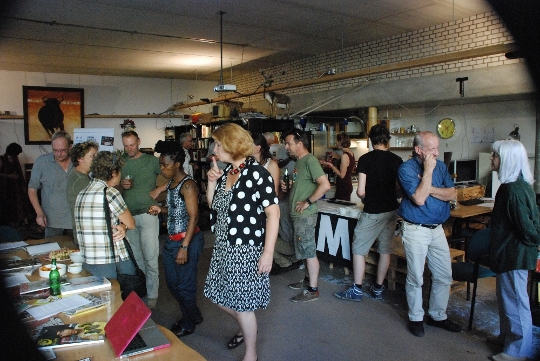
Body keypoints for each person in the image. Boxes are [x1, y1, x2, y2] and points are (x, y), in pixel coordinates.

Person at [203, 123, 279, 361]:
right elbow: (213, 206)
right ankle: (248, 328)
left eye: (218, 144)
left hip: (246, 249)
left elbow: (273, 214)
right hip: (224, 246)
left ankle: (251, 353)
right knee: (218, 294)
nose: (215, 148)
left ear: (231, 146)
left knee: (243, 305)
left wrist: (268, 253)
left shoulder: (257, 173)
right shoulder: (228, 172)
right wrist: (212, 182)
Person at [397, 131, 461, 337]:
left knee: (444, 275)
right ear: (418, 150)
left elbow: (453, 194)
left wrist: (430, 186)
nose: (437, 152)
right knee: (416, 276)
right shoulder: (406, 169)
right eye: (432, 149)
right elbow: (419, 198)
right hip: (416, 229)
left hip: (437, 229)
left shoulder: (441, 166)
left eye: (437, 148)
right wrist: (427, 171)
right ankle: (416, 317)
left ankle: (437, 315)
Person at [334, 124, 403, 301]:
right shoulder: (397, 160)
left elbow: (361, 192)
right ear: (387, 140)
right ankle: (378, 288)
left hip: (372, 210)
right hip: (391, 210)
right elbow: (398, 189)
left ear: (371, 141)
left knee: (358, 249)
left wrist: (367, 197)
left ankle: (357, 290)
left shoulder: (365, 159)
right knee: (385, 250)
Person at [487, 140, 539, 361]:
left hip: (514, 254)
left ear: (506, 160)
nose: (492, 158)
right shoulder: (516, 185)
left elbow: (527, 228)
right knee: (507, 299)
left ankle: (516, 351)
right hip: (508, 253)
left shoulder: (512, 191)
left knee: (516, 302)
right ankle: (507, 337)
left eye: (495, 155)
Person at [148, 140, 205, 338]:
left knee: (184, 286)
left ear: (177, 164)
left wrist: (184, 247)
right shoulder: (172, 183)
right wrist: (161, 209)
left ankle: (189, 323)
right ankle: (194, 314)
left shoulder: (188, 186)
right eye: (160, 165)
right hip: (172, 241)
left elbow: (194, 217)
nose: (162, 168)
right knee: (172, 284)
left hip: (186, 241)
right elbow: (176, 210)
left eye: (165, 165)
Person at [283, 129, 331, 302]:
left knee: (309, 251)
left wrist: (308, 202)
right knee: (304, 250)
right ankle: (307, 281)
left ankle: (313, 289)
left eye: (289, 143)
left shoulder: (310, 160)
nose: (286, 146)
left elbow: (325, 185)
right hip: (298, 215)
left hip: (305, 215)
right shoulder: (299, 162)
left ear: (299, 144)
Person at [74, 150, 136, 279]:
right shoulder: (109, 193)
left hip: (89, 259)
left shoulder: (81, 194)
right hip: (112, 259)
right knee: (127, 295)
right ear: (113, 173)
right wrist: (123, 227)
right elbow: (131, 223)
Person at [120, 130, 161, 309]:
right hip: (128, 217)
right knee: (137, 259)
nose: (129, 148)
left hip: (148, 214)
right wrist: (121, 185)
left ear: (139, 142)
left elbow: (174, 175)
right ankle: (143, 291)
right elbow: (112, 187)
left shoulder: (152, 161)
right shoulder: (120, 162)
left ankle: (153, 295)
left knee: (151, 257)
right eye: (126, 145)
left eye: (132, 144)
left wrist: (159, 191)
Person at [28, 131, 74, 238]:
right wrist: (39, 213)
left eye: (63, 150)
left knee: (76, 252)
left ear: (70, 147)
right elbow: (32, 189)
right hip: (52, 219)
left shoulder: (79, 161)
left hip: (75, 219)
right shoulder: (42, 162)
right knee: (52, 252)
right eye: (55, 150)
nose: (59, 154)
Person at [67, 141, 98, 246]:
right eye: (92, 156)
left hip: (86, 235)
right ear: (80, 158)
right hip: (87, 237)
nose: (96, 159)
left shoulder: (82, 177)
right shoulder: (80, 180)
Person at [0, 143, 32, 227]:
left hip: (16, 185)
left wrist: (23, 184)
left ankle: (21, 221)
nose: (18, 155)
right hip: (5, 186)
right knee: (8, 203)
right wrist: (9, 176)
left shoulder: (15, 158)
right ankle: (10, 223)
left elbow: (19, 172)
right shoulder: (2, 159)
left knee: (19, 202)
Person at [319, 133, 355, 201]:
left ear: (340, 142)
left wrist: (330, 164)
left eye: (337, 142)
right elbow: (347, 163)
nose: (336, 143)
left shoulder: (344, 156)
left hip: (343, 186)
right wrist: (337, 157)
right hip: (347, 185)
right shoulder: (351, 153)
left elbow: (342, 175)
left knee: (340, 206)